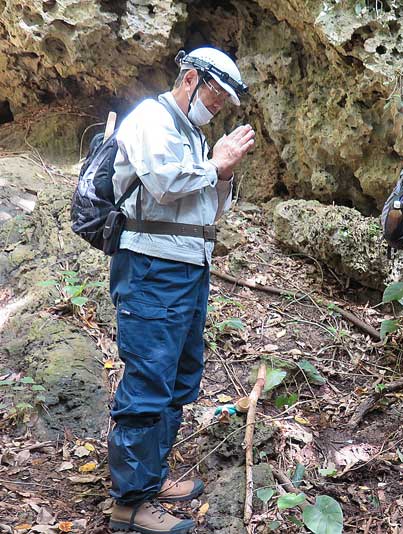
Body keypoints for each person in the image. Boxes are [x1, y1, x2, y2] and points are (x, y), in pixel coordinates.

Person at [107, 47, 255, 533]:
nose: (217, 108)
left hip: (189, 268)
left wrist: (224, 172)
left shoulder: (192, 134)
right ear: (190, 78)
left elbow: (208, 211)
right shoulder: (152, 118)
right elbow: (165, 184)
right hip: (151, 266)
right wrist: (216, 165)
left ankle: (152, 477)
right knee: (149, 377)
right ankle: (129, 503)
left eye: (224, 104)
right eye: (215, 96)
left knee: (179, 377)